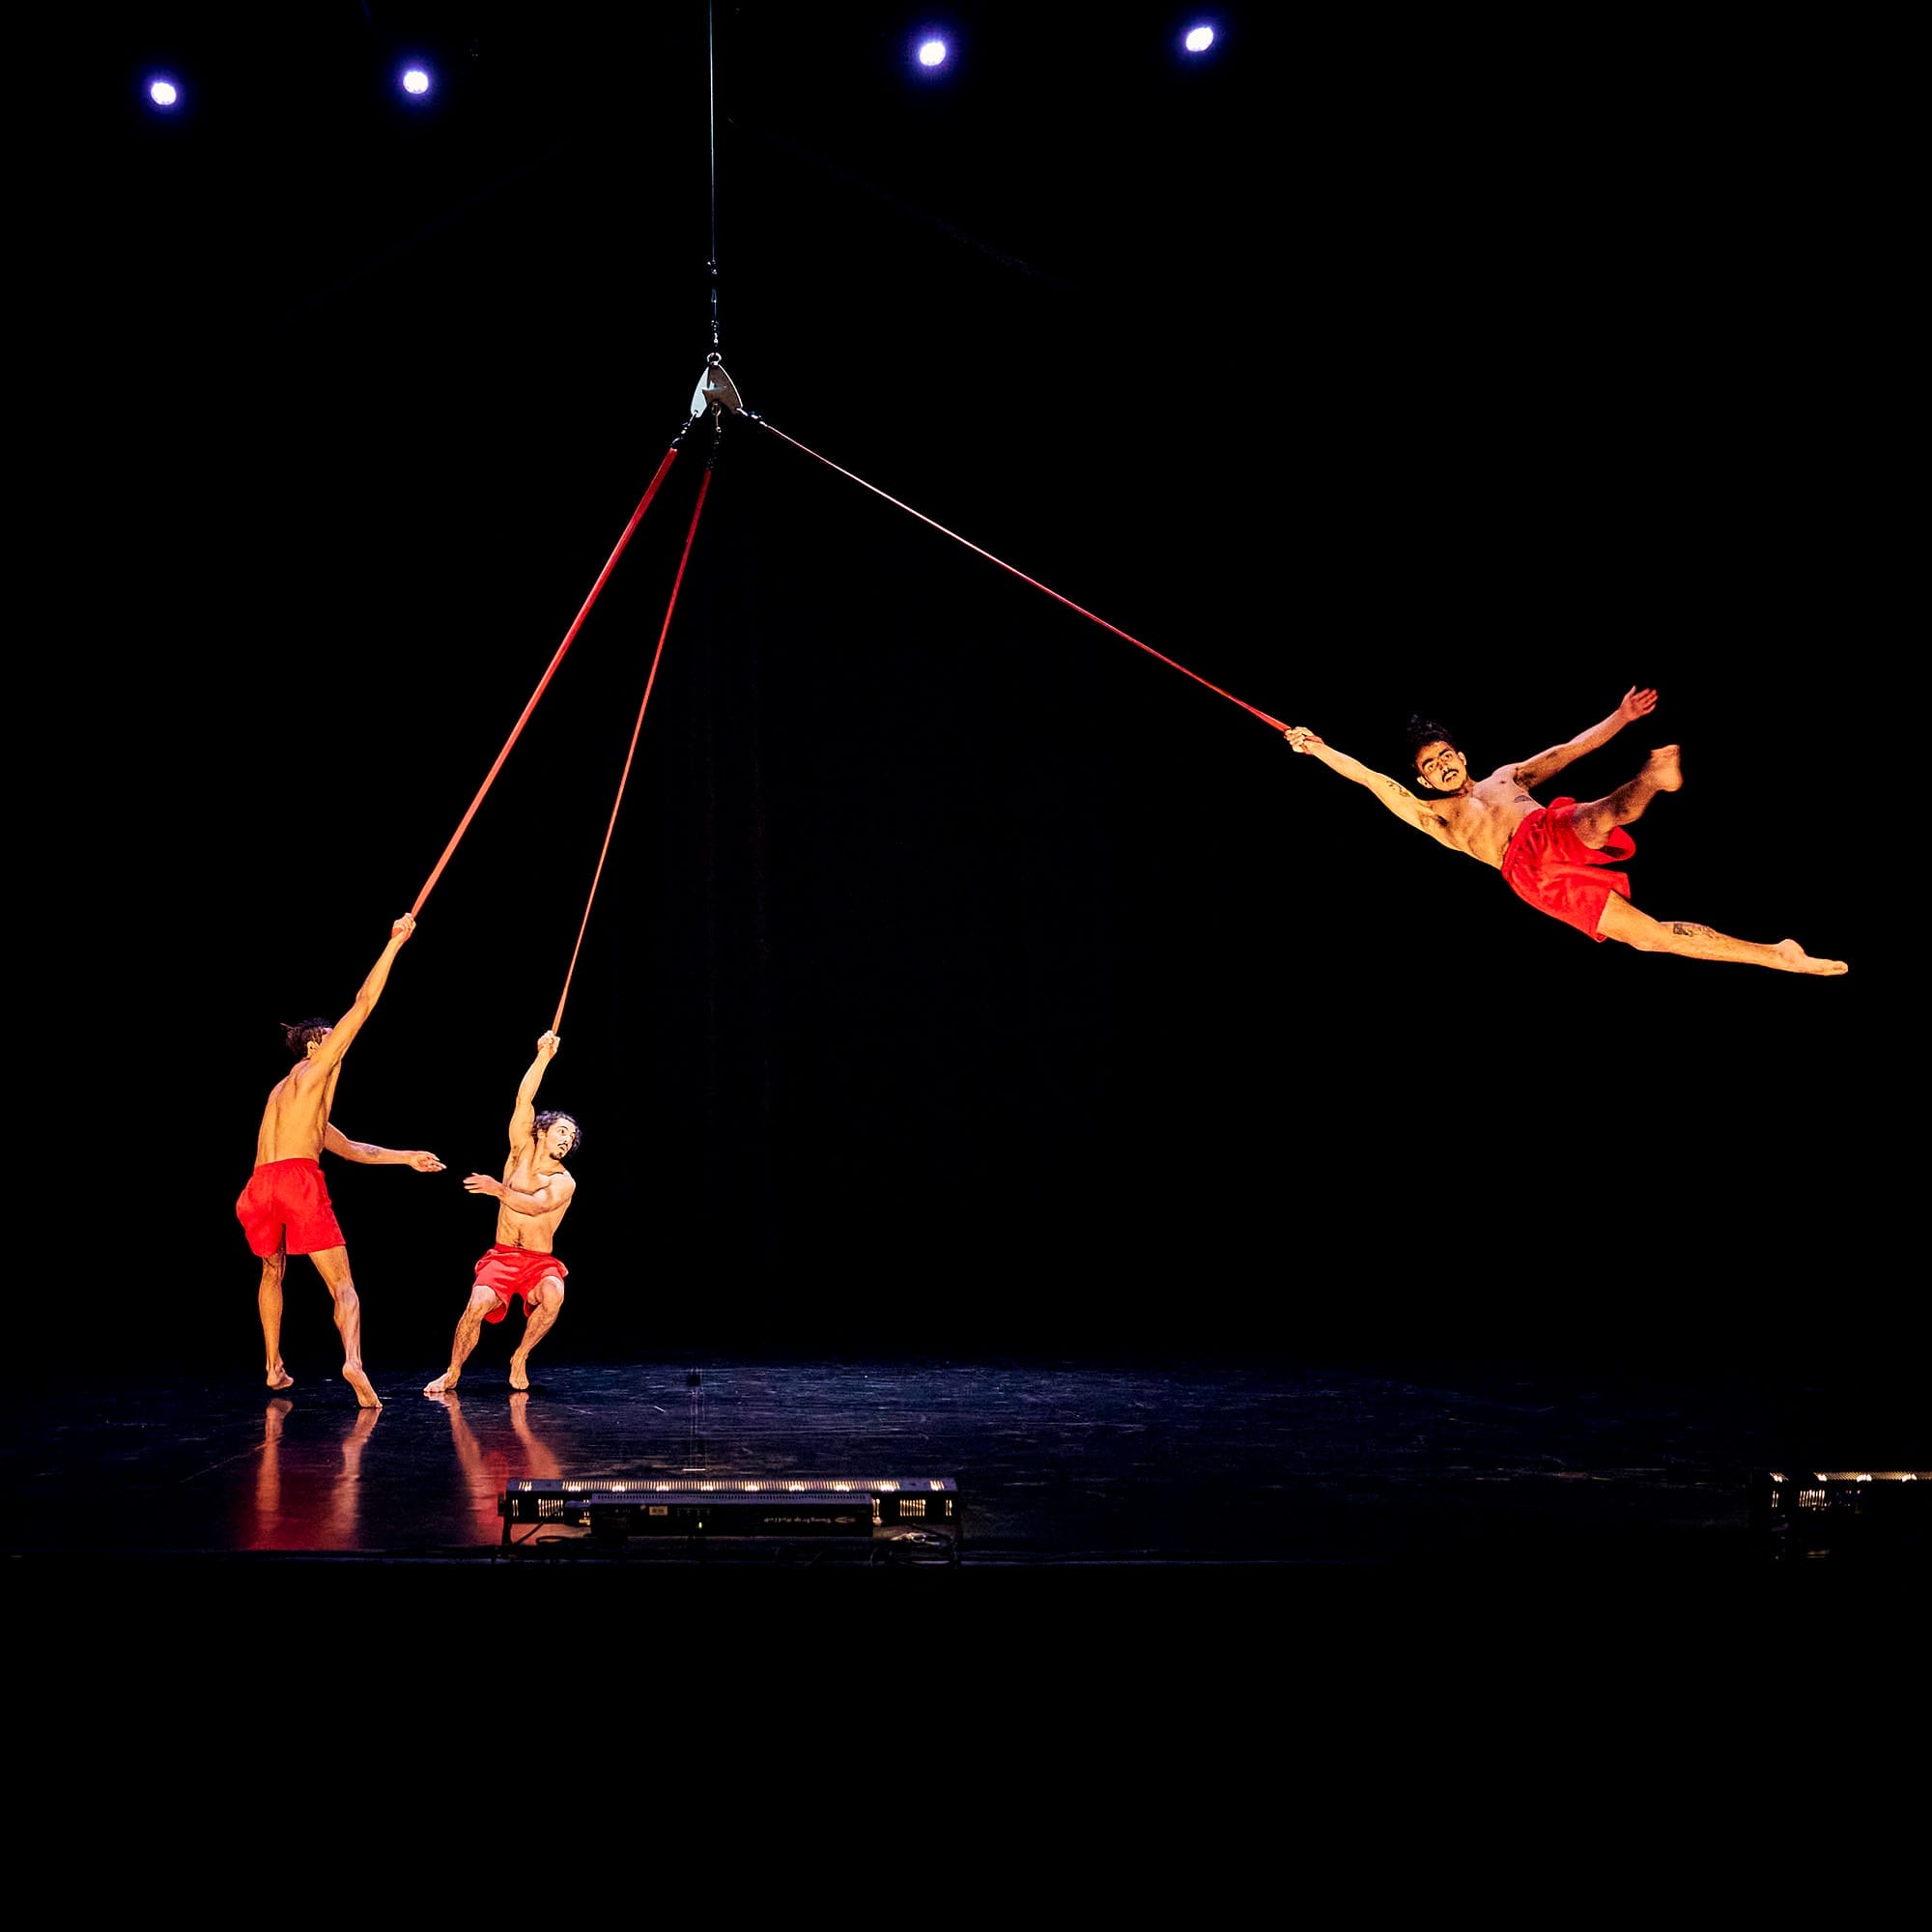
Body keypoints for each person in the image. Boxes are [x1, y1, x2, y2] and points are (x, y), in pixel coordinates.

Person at [1283, 686, 1847, 973]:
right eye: (1430, 766)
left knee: (1598, 817)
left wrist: (1621, 718)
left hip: (1542, 831)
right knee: (1647, 937)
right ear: (1423, 778)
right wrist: (1319, 748)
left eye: (1446, 755)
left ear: (1460, 753)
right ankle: (1778, 954)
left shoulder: (1507, 777)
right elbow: (1373, 782)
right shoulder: (1436, 816)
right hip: (1529, 877)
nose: (1442, 766)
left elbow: (1567, 750)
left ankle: (1649, 779)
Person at [235, 913, 445, 1407]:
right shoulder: (315, 1069)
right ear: (315, 1044)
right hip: (296, 1182)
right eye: (333, 1036)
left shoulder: (285, 1097)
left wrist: (406, 1157)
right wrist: (395, 943)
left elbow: (352, 1149)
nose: (341, 1042)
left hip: (258, 1186)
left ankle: (274, 1367)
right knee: (344, 1286)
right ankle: (353, 1360)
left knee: (272, 1272)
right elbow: (365, 1002)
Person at [425, 1031, 579, 1395]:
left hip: (539, 1261)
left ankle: (520, 1356)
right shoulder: (519, 1150)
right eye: (560, 1131)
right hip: (504, 1256)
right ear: (542, 1131)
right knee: (476, 1304)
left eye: (570, 1139)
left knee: (554, 1294)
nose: (565, 1140)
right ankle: (452, 1372)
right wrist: (544, 1055)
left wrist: (497, 1189)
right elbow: (524, 1098)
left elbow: (537, 1205)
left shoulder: (564, 1181)